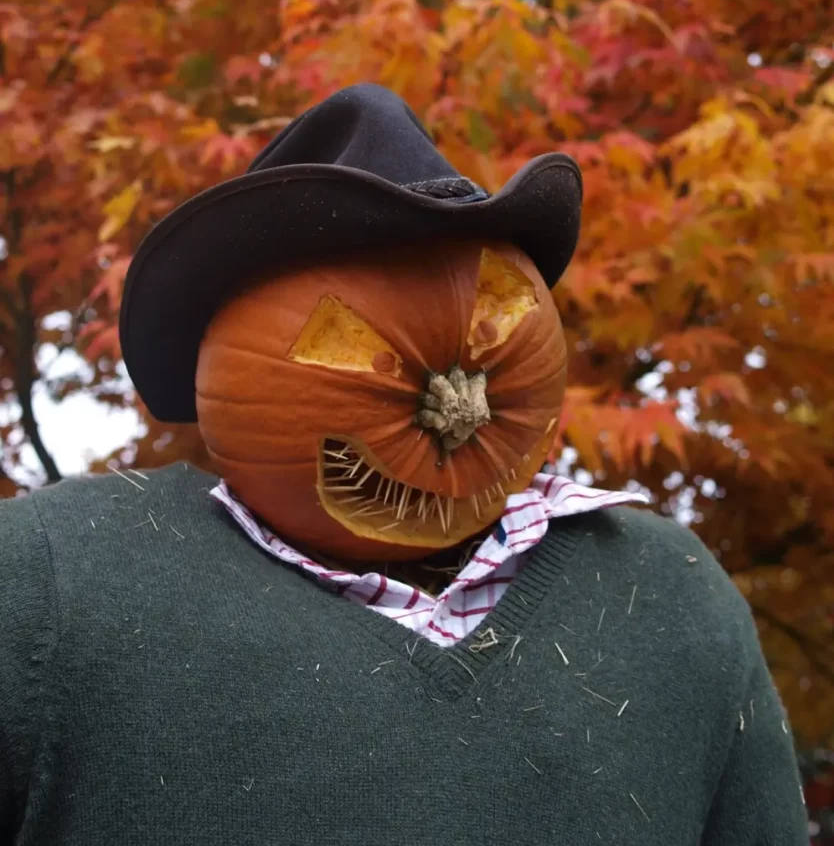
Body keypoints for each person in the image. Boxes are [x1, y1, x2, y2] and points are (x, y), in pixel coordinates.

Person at [1, 85, 807, 844]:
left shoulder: (673, 597)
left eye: (496, 308)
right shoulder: (49, 581)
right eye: (349, 339)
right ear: (224, 350)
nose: (460, 401)